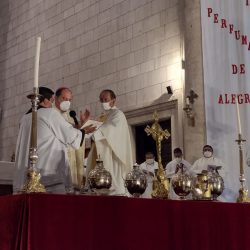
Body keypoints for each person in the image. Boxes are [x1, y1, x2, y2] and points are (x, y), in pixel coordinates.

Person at [13, 87, 95, 194]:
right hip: (47, 174)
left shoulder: (24, 118)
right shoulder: (50, 113)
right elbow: (70, 136)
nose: (52, 103)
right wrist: (84, 131)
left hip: (26, 177)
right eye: (51, 100)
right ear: (45, 100)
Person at [86, 89, 133, 195]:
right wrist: (87, 126)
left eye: (106, 99)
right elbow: (96, 132)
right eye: (101, 100)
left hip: (114, 153)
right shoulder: (103, 116)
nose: (103, 102)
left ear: (113, 100)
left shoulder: (118, 114)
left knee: (114, 183)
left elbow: (110, 129)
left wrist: (95, 130)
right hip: (103, 154)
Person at [54, 87, 85, 190]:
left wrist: (81, 126)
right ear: (56, 98)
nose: (67, 102)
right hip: (56, 159)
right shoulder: (51, 114)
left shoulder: (70, 117)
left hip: (70, 159)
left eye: (69, 100)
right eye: (64, 98)